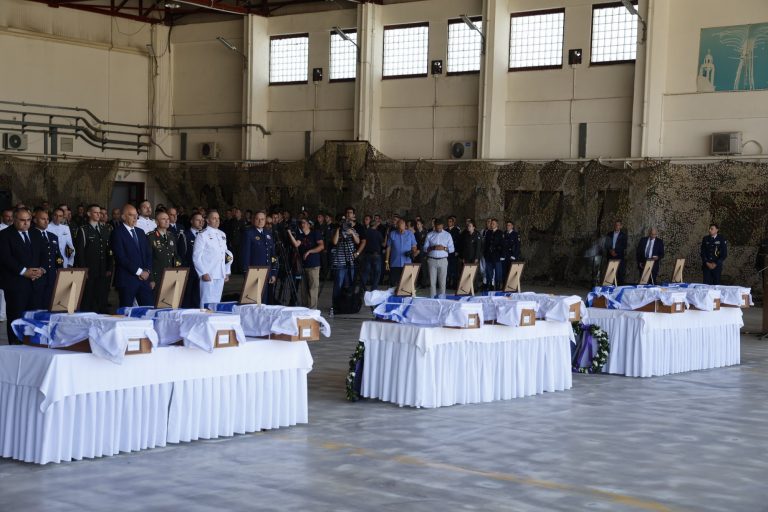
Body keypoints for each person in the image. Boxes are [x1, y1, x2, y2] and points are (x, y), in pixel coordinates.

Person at [0, 208, 46, 344]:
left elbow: (43, 254)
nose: (26, 223)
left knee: (34, 317)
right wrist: (24, 271)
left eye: (28, 220)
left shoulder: (36, 233)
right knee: (16, 318)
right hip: (16, 284)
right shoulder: (4, 235)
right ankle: (15, 346)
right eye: (22, 220)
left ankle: (32, 345)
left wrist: (41, 269)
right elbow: (5, 258)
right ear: (14, 220)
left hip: (36, 283)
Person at [110, 204, 153, 308]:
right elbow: (121, 257)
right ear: (123, 217)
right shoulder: (117, 233)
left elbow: (148, 254)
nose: (135, 218)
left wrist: (147, 271)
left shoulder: (140, 232)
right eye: (131, 215)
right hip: (127, 280)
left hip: (144, 279)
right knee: (126, 311)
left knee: (148, 309)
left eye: (136, 215)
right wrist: (139, 272)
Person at [75, 204, 113, 313]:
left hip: (102, 269)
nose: (98, 214)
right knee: (88, 296)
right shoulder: (83, 230)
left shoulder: (105, 229)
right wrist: (84, 270)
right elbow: (80, 252)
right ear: (89, 214)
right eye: (95, 212)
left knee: (101, 295)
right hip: (90, 270)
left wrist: (109, 267)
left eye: (99, 212)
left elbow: (109, 250)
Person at [194, 211, 232, 307]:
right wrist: (203, 273)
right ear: (207, 220)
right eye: (214, 218)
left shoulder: (222, 234)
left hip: (220, 273)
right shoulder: (202, 234)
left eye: (218, 218)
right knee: (206, 301)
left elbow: (226, 254)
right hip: (209, 273)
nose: (217, 220)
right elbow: (196, 256)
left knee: (217, 301)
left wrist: (226, 271)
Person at [331, 207, 366, 302]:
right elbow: (334, 242)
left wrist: (352, 233)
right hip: (339, 261)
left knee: (350, 283)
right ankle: (336, 304)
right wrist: (338, 229)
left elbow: (358, 241)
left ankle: (348, 303)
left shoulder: (352, 229)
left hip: (350, 260)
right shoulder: (337, 229)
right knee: (338, 283)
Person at [288, 218, 324, 309]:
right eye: (301, 223)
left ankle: (312, 309)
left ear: (309, 225)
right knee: (304, 289)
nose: (302, 224)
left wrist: (309, 251)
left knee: (313, 287)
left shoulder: (315, 233)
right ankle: (305, 309)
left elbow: (321, 246)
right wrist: (289, 233)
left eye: (304, 223)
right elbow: (296, 244)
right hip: (303, 265)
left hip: (313, 265)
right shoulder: (300, 235)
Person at [241, 210, 276, 303]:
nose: (260, 221)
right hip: (254, 271)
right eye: (257, 219)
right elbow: (246, 254)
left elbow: (272, 255)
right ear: (253, 220)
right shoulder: (249, 233)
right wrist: (246, 271)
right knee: (253, 301)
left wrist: (273, 272)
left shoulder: (268, 234)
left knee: (264, 301)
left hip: (267, 272)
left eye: (262, 219)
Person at [147, 211, 181, 300]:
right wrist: (151, 279)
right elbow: (148, 259)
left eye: (168, 219)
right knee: (157, 302)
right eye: (163, 219)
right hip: (157, 277)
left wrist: (177, 272)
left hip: (170, 275)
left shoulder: (171, 236)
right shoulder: (151, 237)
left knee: (169, 302)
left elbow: (175, 255)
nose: (167, 221)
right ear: (157, 222)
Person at [33, 208, 63, 308]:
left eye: (47, 219)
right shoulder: (31, 235)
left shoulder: (53, 236)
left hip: (51, 276)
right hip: (37, 276)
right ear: (35, 220)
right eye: (43, 219)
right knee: (37, 306)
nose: (46, 221)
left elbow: (57, 256)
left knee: (49, 305)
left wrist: (60, 269)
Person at [178, 212, 204, 308]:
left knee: (199, 298)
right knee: (187, 299)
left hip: (202, 271)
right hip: (190, 271)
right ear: (191, 221)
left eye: (202, 220)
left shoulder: (205, 235)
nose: (201, 222)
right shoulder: (185, 235)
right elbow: (182, 255)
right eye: (198, 220)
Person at [423, 218, 454, 297]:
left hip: (443, 260)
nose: (439, 229)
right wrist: (433, 248)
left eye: (440, 227)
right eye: (437, 228)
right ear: (434, 226)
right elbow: (424, 248)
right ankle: (432, 299)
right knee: (432, 282)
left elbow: (452, 249)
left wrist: (444, 248)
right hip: (432, 260)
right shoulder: (430, 234)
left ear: (443, 226)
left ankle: (442, 299)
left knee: (442, 282)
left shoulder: (447, 235)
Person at [385, 218, 419, 288]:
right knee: (394, 285)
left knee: (406, 286)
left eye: (402, 229)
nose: (401, 231)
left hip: (407, 263)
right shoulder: (392, 234)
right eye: (400, 229)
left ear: (405, 226)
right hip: (394, 263)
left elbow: (414, 246)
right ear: (397, 226)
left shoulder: (410, 234)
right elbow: (388, 247)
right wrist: (386, 261)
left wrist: (413, 251)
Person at [361, 219, 385, 291]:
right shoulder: (378, 233)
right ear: (375, 225)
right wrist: (387, 236)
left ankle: (362, 288)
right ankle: (374, 289)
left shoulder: (365, 232)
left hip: (367, 254)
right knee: (377, 273)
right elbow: (383, 244)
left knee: (366, 272)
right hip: (376, 255)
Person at [459, 220, 483, 291]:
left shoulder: (477, 235)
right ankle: (467, 287)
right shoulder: (466, 235)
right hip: (467, 257)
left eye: (470, 226)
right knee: (466, 272)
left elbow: (478, 248)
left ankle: (475, 288)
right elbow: (464, 247)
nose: (468, 227)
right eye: (468, 226)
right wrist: (463, 257)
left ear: (473, 227)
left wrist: (476, 258)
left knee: (474, 273)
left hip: (474, 257)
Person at [604, 220, 628, 285]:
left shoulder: (623, 235)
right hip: (610, 255)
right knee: (610, 272)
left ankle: (619, 287)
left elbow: (624, 246)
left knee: (620, 273)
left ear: (621, 226)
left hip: (619, 256)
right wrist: (610, 251)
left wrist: (616, 251)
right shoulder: (609, 234)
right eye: (615, 225)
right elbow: (606, 244)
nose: (616, 226)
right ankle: (609, 286)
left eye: (618, 225)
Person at [483, 218, 504, 291]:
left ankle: (497, 286)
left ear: (497, 224)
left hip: (497, 255)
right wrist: (485, 254)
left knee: (498, 272)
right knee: (489, 272)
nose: (492, 225)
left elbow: (502, 244)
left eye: (493, 223)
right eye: (491, 223)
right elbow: (485, 244)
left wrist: (502, 255)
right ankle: (489, 285)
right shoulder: (488, 232)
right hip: (489, 256)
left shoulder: (500, 232)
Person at [446, 216, 461, 289]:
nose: (449, 223)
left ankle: (454, 284)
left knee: (454, 268)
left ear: (453, 222)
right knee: (447, 268)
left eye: (450, 221)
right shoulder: (445, 230)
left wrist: (457, 251)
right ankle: (448, 283)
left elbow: (458, 241)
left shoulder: (456, 230)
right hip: (447, 252)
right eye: (448, 221)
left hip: (454, 252)